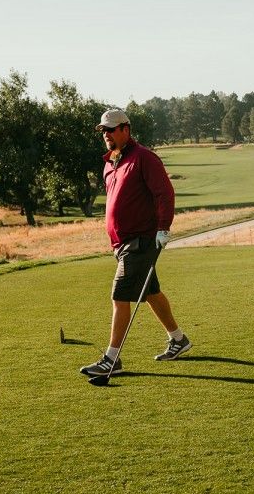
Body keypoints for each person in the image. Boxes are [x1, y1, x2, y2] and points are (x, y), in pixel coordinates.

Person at [80, 108, 192, 377]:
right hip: (121, 243)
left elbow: (164, 193)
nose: (106, 134)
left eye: (110, 129)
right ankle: (178, 339)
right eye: (103, 131)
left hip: (141, 239)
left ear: (125, 129)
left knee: (119, 295)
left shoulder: (144, 158)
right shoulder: (110, 162)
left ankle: (112, 359)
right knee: (150, 292)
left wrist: (163, 228)